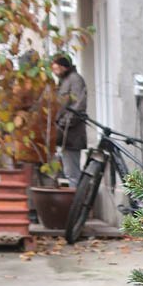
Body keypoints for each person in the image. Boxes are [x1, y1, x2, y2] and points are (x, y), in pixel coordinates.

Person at [52, 53, 87, 186]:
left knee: (73, 173)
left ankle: (76, 202)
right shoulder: (65, 81)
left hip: (72, 133)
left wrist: (64, 123)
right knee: (68, 171)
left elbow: (78, 105)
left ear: (63, 67)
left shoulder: (75, 80)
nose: (54, 73)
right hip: (64, 133)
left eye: (56, 69)